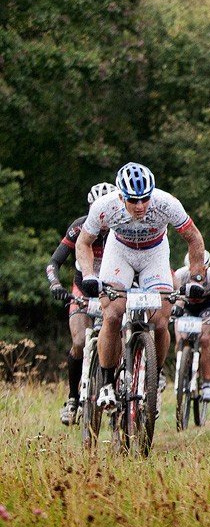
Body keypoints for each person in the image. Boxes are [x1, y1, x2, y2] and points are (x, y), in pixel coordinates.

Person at [76, 162, 208, 410]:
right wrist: (88, 275)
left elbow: (194, 238)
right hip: (120, 254)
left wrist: (196, 279)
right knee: (113, 314)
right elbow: (84, 243)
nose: (140, 206)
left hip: (154, 255)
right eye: (133, 200)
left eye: (144, 199)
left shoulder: (167, 203)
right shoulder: (105, 207)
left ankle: (153, 378)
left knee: (160, 320)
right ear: (120, 196)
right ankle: (106, 384)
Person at [44, 182, 116, 425]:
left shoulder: (122, 229)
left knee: (117, 334)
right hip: (82, 291)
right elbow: (54, 262)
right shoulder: (79, 227)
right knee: (79, 341)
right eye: (98, 209)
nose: (104, 217)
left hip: (111, 290)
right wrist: (56, 285)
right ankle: (73, 398)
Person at [172, 251, 210, 402]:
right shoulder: (180, 275)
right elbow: (172, 298)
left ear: (207, 268)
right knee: (180, 338)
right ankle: (183, 372)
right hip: (186, 305)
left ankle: (206, 383)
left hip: (207, 306)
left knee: (205, 339)